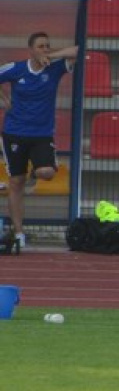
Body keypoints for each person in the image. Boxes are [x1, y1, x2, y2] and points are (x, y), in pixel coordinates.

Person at [0, 32, 78, 249]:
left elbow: (77, 51)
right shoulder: (17, 69)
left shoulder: (54, 69)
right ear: (31, 49)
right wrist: (4, 98)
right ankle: (19, 233)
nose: (45, 49)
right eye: (41, 46)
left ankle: (35, 171)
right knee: (16, 182)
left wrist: (52, 55)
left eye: (47, 46)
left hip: (42, 134)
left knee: (47, 172)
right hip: (14, 132)